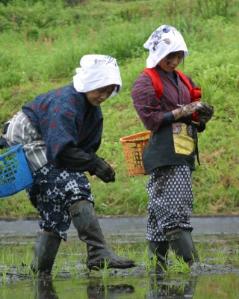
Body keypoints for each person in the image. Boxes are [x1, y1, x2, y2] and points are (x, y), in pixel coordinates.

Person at [3, 54, 135, 274]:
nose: (104, 95)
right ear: (88, 83)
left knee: (55, 210)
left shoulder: (93, 111)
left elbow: (83, 149)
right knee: (72, 186)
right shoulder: (65, 104)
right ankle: (98, 252)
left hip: (51, 145)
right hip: (28, 140)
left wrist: (95, 163)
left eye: (109, 90)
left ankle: (39, 274)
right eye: (100, 88)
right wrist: (94, 164)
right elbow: (62, 152)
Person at [131, 25, 213, 272]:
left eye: (178, 56)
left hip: (183, 152)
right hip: (165, 154)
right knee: (175, 209)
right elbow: (152, 120)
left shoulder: (184, 81)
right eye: (169, 56)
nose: (174, 61)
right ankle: (194, 267)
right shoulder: (146, 82)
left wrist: (202, 117)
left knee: (158, 217)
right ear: (158, 53)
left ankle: (157, 271)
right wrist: (181, 111)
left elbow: (193, 122)